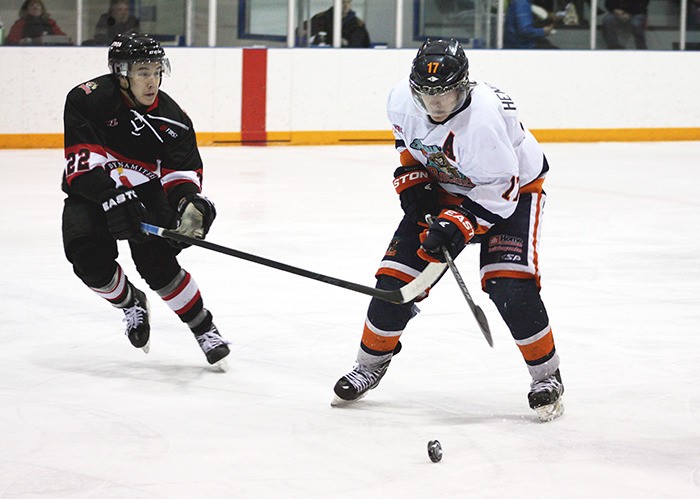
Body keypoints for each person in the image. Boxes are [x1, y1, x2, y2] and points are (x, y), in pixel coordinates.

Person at [331, 38, 565, 422]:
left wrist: (458, 225)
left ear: (465, 86)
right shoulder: (400, 101)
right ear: (413, 89)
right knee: (394, 285)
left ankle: (546, 376)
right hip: (448, 185)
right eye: (427, 95)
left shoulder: (484, 124)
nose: (437, 104)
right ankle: (369, 365)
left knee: (509, 284)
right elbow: (410, 146)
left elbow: (501, 193)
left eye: (447, 94)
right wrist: (413, 181)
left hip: (512, 191)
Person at [61, 33, 230, 369]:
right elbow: (83, 165)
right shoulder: (88, 100)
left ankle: (203, 327)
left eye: (156, 70)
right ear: (120, 74)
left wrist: (189, 205)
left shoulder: (174, 119)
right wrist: (112, 197)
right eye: (142, 72)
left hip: (146, 192)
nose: (151, 81)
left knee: (158, 265)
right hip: (95, 189)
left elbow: (180, 175)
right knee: (89, 261)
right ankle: (129, 303)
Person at [304, 0, 370, 47]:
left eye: (348, 2)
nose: (345, 5)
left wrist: (347, 44)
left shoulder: (357, 24)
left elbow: (362, 45)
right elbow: (302, 32)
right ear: (336, 3)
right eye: (342, 2)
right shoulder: (321, 19)